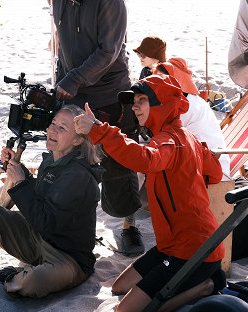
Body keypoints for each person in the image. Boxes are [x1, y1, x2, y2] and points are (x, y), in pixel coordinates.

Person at [74, 75, 226, 312]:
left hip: (191, 252)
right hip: (172, 246)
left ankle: (204, 287)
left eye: (142, 100)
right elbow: (215, 173)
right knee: (118, 286)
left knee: (126, 310)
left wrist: (99, 131)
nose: (134, 107)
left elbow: (144, 158)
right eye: (133, 101)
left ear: (163, 104)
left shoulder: (170, 141)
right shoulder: (186, 139)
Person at [0, 105, 104, 298]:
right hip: (37, 238)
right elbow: (40, 195)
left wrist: (20, 181)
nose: (52, 130)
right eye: (53, 123)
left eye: (62, 128)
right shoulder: (52, 159)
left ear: (77, 139)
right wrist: (17, 169)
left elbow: (45, 221)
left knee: (35, 281)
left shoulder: (78, 174)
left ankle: (10, 276)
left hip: (68, 257)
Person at [52, 0, 145, 257]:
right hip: (73, 92)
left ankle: (128, 228)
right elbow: (62, 46)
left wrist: (74, 78)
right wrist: (60, 82)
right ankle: (72, 228)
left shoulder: (111, 3)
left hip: (110, 94)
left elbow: (109, 50)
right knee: (73, 162)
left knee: (119, 163)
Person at [153, 57, 231, 176]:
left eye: (165, 80)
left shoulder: (188, 106)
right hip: (198, 158)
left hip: (211, 167)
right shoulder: (186, 100)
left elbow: (165, 135)